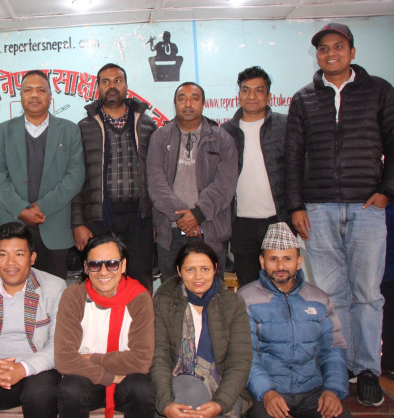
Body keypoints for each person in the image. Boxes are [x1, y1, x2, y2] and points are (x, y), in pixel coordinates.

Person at [285, 22, 394, 407]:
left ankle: (368, 369)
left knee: (367, 294)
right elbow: (292, 156)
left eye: (338, 46)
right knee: (332, 295)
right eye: (323, 48)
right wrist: (296, 205)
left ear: (352, 52)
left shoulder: (378, 91)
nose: (330, 53)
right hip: (318, 208)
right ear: (316, 55)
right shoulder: (303, 98)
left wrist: (386, 191)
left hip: (367, 208)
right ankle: (342, 364)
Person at [238, 222, 351, 418]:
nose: (280, 266)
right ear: (262, 262)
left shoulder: (319, 299)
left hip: (313, 391)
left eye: (287, 258)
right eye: (273, 259)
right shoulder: (246, 299)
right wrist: (266, 392)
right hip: (268, 392)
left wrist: (332, 390)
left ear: (298, 262)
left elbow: (333, 348)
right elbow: (244, 354)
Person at [0, 222, 66, 417]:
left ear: (32, 258)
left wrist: (22, 369)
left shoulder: (55, 288)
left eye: (19, 254)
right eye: (3, 255)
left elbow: (58, 345)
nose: (10, 263)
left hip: (38, 372)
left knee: (40, 391)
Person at [0, 69, 84, 279]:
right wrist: (21, 209)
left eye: (41, 90)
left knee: (53, 290)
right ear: (21, 96)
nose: (34, 95)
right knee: (13, 289)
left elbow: (75, 176)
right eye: (28, 90)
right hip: (13, 223)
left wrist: (41, 208)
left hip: (54, 225)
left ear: (50, 96)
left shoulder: (69, 130)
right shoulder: (4, 130)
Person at [72, 63, 157, 290]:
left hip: (139, 219)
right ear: (98, 87)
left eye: (118, 81)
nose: (112, 86)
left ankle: (139, 315)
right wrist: (78, 223)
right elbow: (76, 180)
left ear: (126, 86)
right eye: (106, 82)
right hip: (98, 219)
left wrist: (156, 219)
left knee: (140, 281)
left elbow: (157, 177)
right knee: (100, 281)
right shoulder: (83, 127)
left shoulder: (147, 125)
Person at [55, 234, 155, 418]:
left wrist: (93, 358)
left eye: (112, 264)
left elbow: (141, 360)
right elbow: (64, 359)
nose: (103, 272)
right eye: (95, 265)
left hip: (126, 378)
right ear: (86, 267)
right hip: (86, 376)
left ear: (123, 265)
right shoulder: (73, 297)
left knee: (141, 389)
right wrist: (109, 377)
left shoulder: (139, 298)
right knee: (70, 390)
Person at [147, 82, 237, 282]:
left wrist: (198, 214)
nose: (188, 104)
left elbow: (225, 185)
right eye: (182, 99)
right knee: (172, 295)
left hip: (210, 231)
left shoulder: (222, 139)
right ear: (174, 104)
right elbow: (156, 183)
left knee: (211, 294)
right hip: (170, 233)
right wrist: (183, 217)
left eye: (194, 99)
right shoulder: (160, 138)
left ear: (203, 103)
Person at [151, 241, 252, 418]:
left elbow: (240, 360)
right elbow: (159, 357)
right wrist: (165, 403)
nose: (198, 276)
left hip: (223, 385)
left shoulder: (232, 304)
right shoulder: (164, 301)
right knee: (190, 392)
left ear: (215, 269)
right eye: (190, 269)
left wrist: (220, 403)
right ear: (179, 271)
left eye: (205, 269)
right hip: (179, 381)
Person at [222, 67, 288, 288]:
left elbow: (295, 171)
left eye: (259, 91)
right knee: (249, 288)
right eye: (246, 90)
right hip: (241, 223)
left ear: (268, 96)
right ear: (239, 95)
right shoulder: (225, 132)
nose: (252, 96)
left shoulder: (285, 126)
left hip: (278, 219)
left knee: (283, 285)